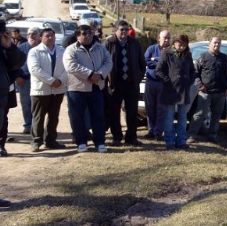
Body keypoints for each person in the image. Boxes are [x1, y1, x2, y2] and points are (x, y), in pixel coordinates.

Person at [64, 24, 113, 153]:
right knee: (77, 117)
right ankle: (81, 142)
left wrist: (100, 74)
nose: (88, 36)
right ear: (78, 36)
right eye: (84, 33)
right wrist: (90, 74)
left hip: (96, 87)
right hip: (77, 88)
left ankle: (100, 142)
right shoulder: (71, 50)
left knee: (98, 115)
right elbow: (71, 66)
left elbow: (108, 62)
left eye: (90, 33)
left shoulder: (100, 48)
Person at [104, 20, 146, 146]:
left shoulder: (135, 43)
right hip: (115, 84)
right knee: (114, 111)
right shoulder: (109, 43)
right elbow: (104, 63)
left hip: (131, 84)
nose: (124, 32)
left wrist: (138, 78)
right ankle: (117, 137)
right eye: (121, 29)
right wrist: (107, 82)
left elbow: (141, 64)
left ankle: (131, 137)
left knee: (132, 112)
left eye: (126, 30)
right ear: (115, 30)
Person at [27, 27, 68, 151]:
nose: (50, 38)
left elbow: (68, 67)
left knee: (53, 116)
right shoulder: (34, 51)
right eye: (47, 36)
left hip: (58, 89)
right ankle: (36, 141)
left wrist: (60, 80)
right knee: (38, 117)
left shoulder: (62, 50)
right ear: (41, 37)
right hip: (40, 90)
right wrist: (51, 81)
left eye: (52, 35)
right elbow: (34, 69)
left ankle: (51, 140)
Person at [156, 35, 196, 149]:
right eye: (179, 43)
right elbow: (158, 70)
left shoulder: (187, 55)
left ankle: (181, 141)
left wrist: (189, 81)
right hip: (170, 90)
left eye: (184, 44)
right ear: (174, 43)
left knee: (183, 117)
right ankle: (169, 141)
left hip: (184, 90)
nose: (181, 46)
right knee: (169, 117)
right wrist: (167, 81)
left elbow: (193, 71)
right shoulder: (167, 53)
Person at [188, 36, 227, 144]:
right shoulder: (203, 57)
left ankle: (212, 135)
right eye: (214, 43)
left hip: (220, 93)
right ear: (209, 44)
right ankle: (191, 135)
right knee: (199, 114)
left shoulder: (224, 58)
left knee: (216, 116)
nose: (216, 45)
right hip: (205, 92)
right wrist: (200, 85)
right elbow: (195, 73)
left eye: (218, 43)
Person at [0, 21, 26, 159]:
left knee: (2, 118)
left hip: (3, 89)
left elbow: (18, 62)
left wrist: (9, 46)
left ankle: (0, 145)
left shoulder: (6, 47)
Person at [143, 30, 171, 140]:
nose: (166, 40)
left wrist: (155, 62)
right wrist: (160, 64)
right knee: (150, 108)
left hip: (163, 84)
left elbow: (171, 66)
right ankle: (151, 131)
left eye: (168, 38)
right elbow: (146, 60)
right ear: (159, 38)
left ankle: (158, 133)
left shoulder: (171, 52)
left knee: (161, 109)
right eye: (164, 38)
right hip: (151, 82)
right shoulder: (151, 49)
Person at [16, 27, 41, 135]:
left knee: (38, 104)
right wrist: (17, 77)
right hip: (24, 80)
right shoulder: (21, 48)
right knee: (26, 103)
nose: (31, 35)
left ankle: (37, 126)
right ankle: (28, 125)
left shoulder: (43, 48)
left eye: (34, 33)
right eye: (29, 34)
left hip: (40, 80)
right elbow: (14, 64)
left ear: (39, 36)